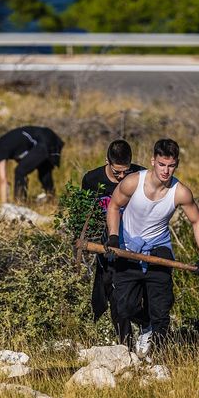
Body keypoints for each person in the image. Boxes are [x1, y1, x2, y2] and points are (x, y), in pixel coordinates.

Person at [106, 138, 199, 358]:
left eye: (171, 165)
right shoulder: (132, 182)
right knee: (124, 306)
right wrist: (114, 237)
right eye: (162, 164)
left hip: (158, 248)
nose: (166, 170)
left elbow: (197, 222)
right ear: (153, 161)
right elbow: (114, 207)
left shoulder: (180, 192)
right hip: (128, 246)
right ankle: (145, 325)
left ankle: (159, 359)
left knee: (161, 309)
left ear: (177, 164)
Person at [81, 139, 146, 344]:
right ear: (106, 161)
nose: (121, 177)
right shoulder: (92, 180)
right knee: (110, 291)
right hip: (107, 243)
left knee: (135, 296)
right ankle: (125, 344)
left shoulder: (141, 176)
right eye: (117, 172)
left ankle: (149, 326)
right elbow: (86, 213)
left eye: (125, 172)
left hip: (137, 244)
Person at [0, 126, 65, 203]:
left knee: (20, 171)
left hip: (45, 141)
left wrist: (4, 205)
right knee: (43, 170)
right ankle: (51, 199)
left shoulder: (1, 149)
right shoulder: (6, 144)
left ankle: (20, 202)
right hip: (50, 137)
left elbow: (3, 180)